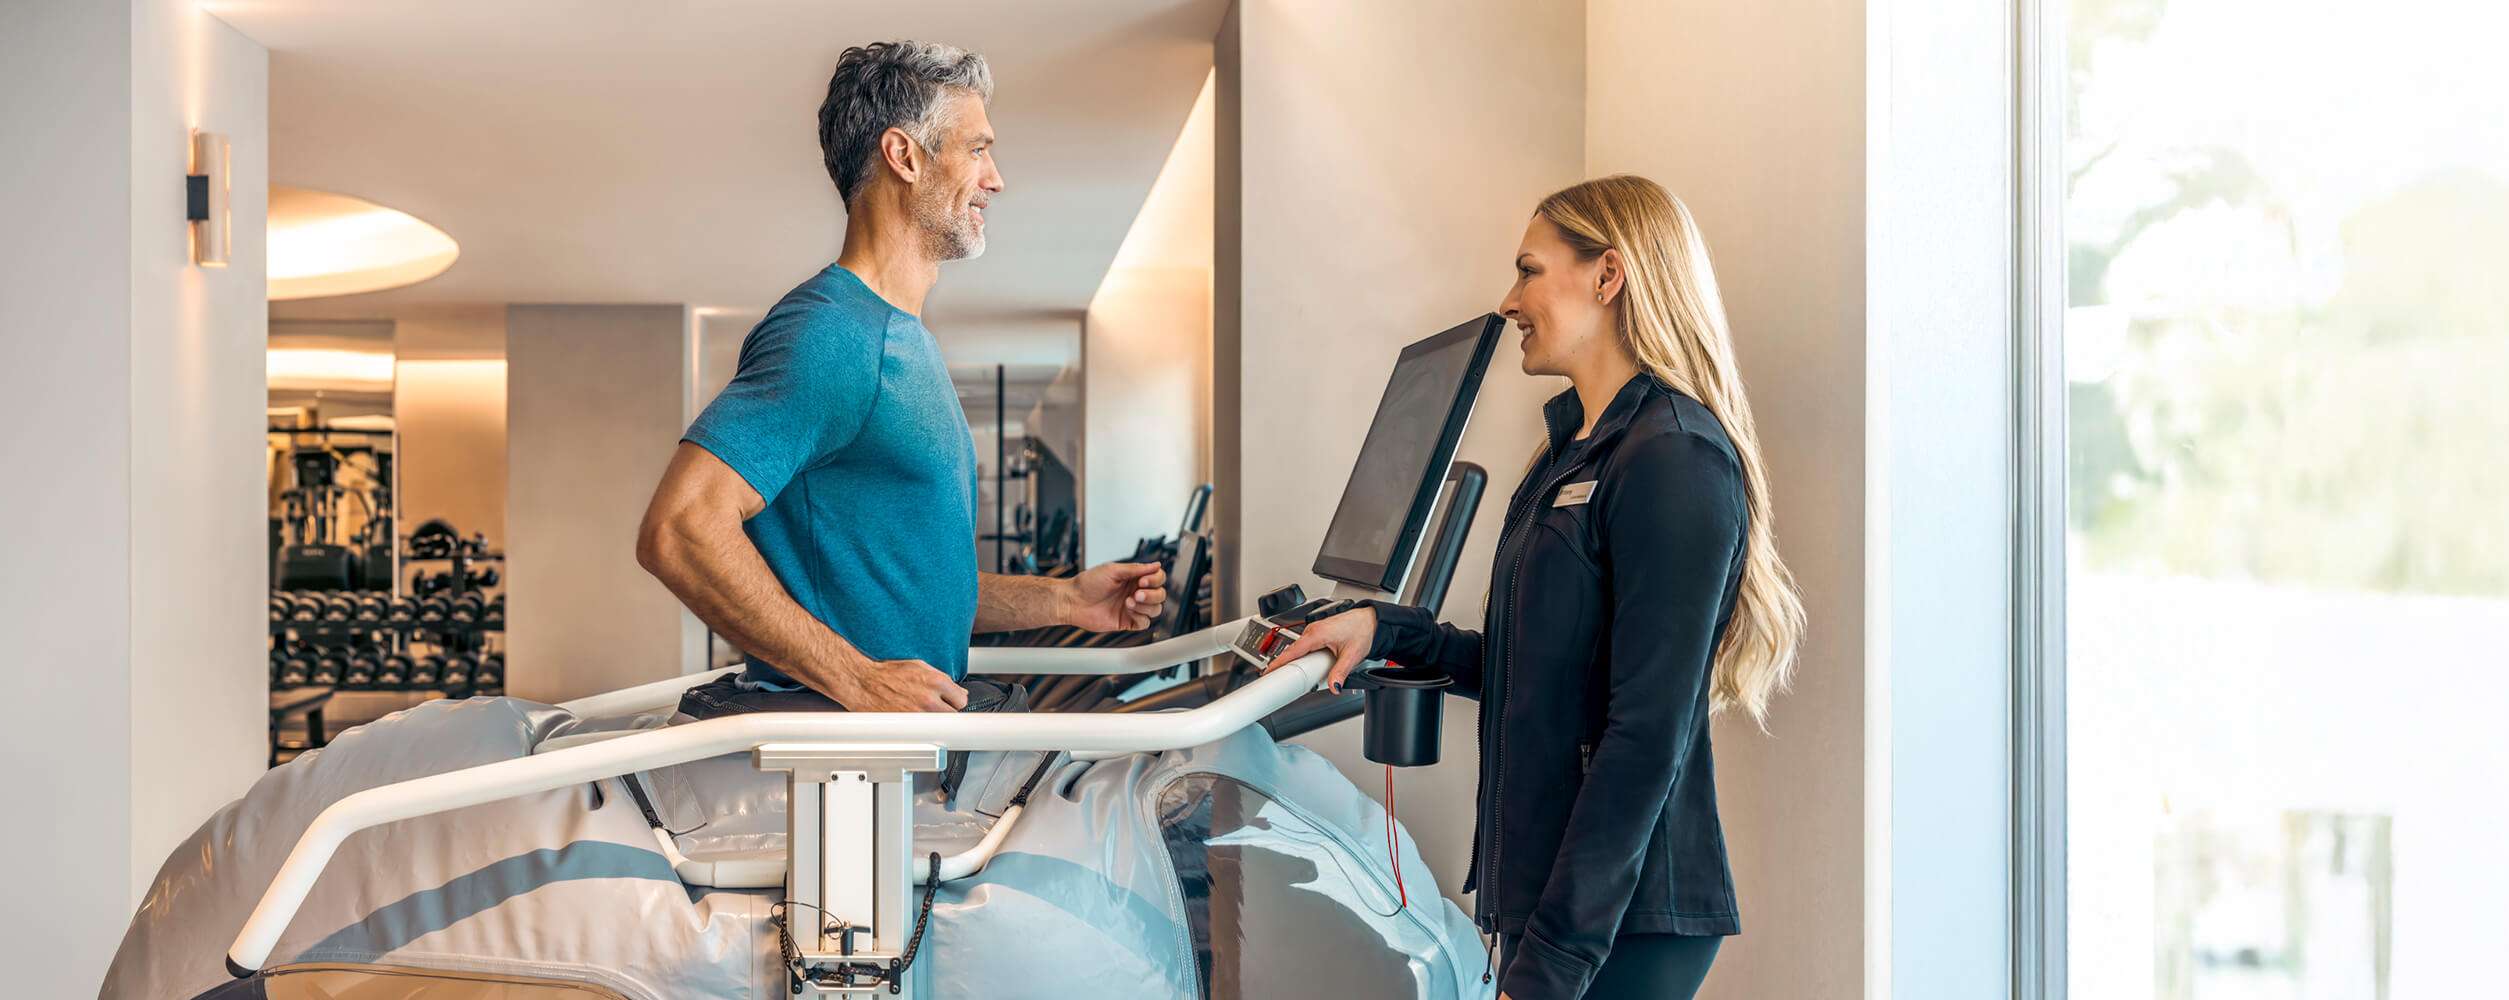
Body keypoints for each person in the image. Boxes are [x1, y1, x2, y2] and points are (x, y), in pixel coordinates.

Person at [1265, 175, 1805, 1000]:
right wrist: (1387, 630)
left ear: (1607, 277)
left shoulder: (1674, 457)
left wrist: (1551, 963)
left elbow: (1644, 737)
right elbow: (1536, 669)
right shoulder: (1568, 455)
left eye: (1528, 270)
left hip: (1621, 924)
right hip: (1547, 899)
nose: (1509, 299)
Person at [637, 40, 1165, 715]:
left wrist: (1065, 600)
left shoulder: (902, 340)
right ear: (905, 156)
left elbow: (908, 589)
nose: (995, 178)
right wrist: (855, 677)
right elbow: (680, 529)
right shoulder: (831, 335)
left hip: (897, 759)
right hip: (842, 770)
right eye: (977, 150)